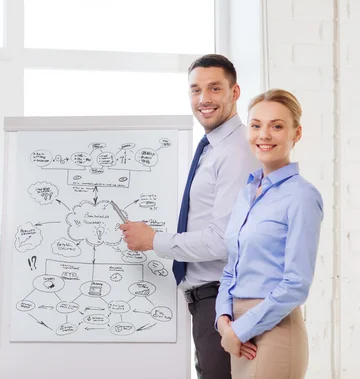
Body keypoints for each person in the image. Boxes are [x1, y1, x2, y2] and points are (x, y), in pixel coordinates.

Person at [120, 54, 259, 379]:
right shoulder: (211, 148)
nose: (203, 99)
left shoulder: (235, 151)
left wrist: (153, 240)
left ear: (235, 92)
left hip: (221, 299)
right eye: (195, 90)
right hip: (206, 300)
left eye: (214, 89)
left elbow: (223, 240)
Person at [215, 89, 323, 378]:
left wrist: (241, 328)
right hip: (237, 331)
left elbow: (297, 283)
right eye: (256, 125)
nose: (264, 134)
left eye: (276, 126)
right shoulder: (246, 193)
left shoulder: (302, 196)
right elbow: (231, 267)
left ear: (296, 133)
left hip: (274, 328)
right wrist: (224, 321)